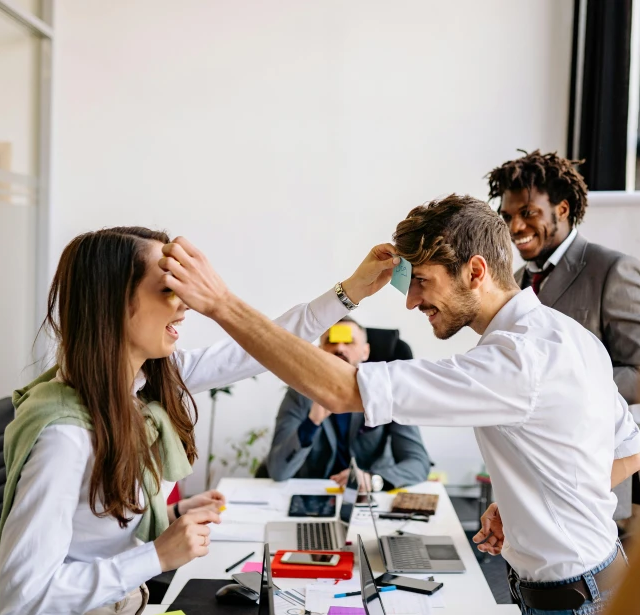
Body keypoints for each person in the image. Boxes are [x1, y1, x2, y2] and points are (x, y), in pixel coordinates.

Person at [160, 197, 640, 614]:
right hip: (589, 582)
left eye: (422, 282)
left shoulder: (515, 361)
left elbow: (342, 390)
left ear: (475, 272)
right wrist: (531, 502)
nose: (411, 302)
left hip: (576, 599)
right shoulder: (566, 335)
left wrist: (222, 302)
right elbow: (629, 446)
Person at [0, 226, 385, 615]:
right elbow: (22, 597)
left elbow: (258, 347)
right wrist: (157, 556)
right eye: (168, 289)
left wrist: (350, 291)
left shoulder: (147, 382)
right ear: (112, 301)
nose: (185, 306)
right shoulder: (66, 435)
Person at [488, 149, 640, 521]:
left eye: (528, 213)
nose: (515, 228)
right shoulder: (518, 283)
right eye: (507, 216)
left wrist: (561, 384)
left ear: (563, 209)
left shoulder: (612, 270)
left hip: (595, 490)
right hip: (526, 492)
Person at [266, 316, 430, 489]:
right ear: (320, 351)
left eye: (349, 342)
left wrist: (373, 480)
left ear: (365, 352)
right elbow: (278, 471)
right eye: (331, 342)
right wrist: (312, 422)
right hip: (318, 494)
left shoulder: (386, 394)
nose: (339, 348)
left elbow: (418, 464)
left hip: (368, 497)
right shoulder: (300, 394)